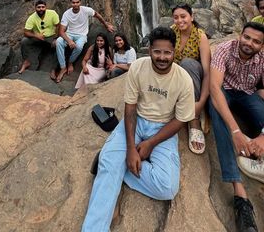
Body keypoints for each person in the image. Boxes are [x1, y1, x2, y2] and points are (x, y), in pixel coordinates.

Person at [81, 26, 194, 232]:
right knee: (109, 169)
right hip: (136, 122)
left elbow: (180, 120)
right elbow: (130, 108)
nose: (162, 57)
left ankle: (114, 164)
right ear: (149, 49)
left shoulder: (184, 80)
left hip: (163, 129)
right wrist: (132, 148)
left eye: (167, 52)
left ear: (174, 52)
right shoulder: (138, 68)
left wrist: (150, 143)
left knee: (167, 187)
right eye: (157, 51)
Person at [209, 21, 264, 232]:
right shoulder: (224, 50)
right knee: (216, 110)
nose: (249, 43)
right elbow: (215, 88)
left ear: (262, 46)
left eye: (256, 41)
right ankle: (240, 194)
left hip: (248, 94)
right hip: (225, 91)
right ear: (240, 35)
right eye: (246, 37)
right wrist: (235, 131)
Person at [171, 3, 211, 154]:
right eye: (176, 17)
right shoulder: (173, 31)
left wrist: (201, 103)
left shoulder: (200, 36)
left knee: (187, 63)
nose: (180, 20)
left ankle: (194, 120)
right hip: (177, 77)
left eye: (183, 16)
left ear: (192, 17)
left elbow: (207, 73)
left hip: (195, 78)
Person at [53, 0, 115, 83]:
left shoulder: (86, 10)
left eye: (77, 2)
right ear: (70, 3)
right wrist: (69, 41)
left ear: (80, 2)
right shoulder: (67, 14)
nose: (75, 4)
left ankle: (70, 62)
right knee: (59, 42)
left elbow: (97, 15)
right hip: (69, 33)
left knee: (79, 46)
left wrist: (106, 26)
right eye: (73, 2)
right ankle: (63, 68)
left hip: (81, 35)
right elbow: (61, 31)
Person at [18, 0, 59, 74]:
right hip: (39, 38)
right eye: (38, 7)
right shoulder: (32, 17)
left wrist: (56, 38)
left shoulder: (52, 13)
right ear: (35, 8)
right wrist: (36, 35)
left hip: (51, 36)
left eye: (43, 7)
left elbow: (58, 26)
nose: (41, 9)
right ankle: (26, 61)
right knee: (24, 41)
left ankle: (54, 68)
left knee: (58, 44)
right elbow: (26, 32)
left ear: (46, 7)